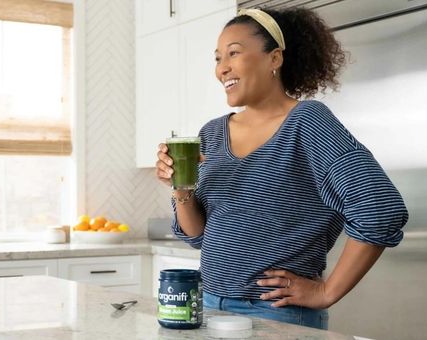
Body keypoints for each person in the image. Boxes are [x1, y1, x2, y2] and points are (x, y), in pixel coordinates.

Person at [156, 7, 408, 330]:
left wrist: (326, 292)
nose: (222, 69)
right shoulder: (210, 134)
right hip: (209, 306)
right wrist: (181, 187)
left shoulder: (307, 122)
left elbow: (379, 208)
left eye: (233, 53)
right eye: (217, 58)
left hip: (276, 315)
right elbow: (198, 235)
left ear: (274, 59)